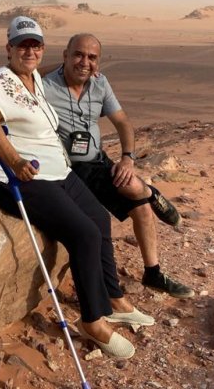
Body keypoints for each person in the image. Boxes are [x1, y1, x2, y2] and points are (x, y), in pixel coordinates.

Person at [0, 16, 155, 359]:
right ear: (9, 48)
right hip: (24, 176)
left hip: (57, 169)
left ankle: (112, 298)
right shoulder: (2, 80)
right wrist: (15, 160)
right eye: (22, 45)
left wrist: (79, 68)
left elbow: (52, 70)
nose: (30, 51)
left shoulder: (35, 80)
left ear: (43, 50)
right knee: (84, 234)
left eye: (35, 45)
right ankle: (92, 321)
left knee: (99, 218)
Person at [42, 33, 194, 298]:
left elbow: (122, 122)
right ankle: (152, 193)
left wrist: (127, 158)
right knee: (132, 195)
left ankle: (153, 272)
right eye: (78, 55)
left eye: (92, 58)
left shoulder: (100, 84)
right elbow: (18, 71)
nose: (85, 62)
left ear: (98, 62)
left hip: (98, 160)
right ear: (65, 55)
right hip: (71, 169)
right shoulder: (44, 85)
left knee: (140, 206)